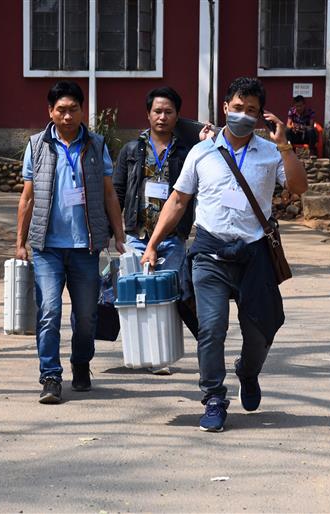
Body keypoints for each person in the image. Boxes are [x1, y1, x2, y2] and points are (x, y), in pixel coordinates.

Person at [140, 77, 308, 432]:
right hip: (210, 252)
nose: (243, 115)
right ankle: (214, 397)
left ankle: (248, 372)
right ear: (224, 108)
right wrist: (153, 243)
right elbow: (178, 200)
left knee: (262, 330)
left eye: (251, 110)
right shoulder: (201, 153)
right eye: (237, 108)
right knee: (211, 329)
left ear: (261, 115)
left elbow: (297, 187)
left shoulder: (268, 152)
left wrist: (285, 147)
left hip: (255, 254)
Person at [15, 81, 126, 405]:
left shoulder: (96, 145)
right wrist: (20, 242)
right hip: (47, 247)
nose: (67, 115)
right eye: (60, 109)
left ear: (82, 111)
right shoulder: (36, 145)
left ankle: (81, 363)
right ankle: (50, 376)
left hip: (85, 247)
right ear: (50, 111)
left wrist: (119, 235)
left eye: (73, 109)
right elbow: (27, 197)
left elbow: (108, 193)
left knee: (87, 314)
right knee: (49, 310)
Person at [112, 87, 196, 375]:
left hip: (172, 237)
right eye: (157, 111)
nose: (162, 117)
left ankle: (161, 356)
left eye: (168, 112)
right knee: (136, 297)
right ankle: (138, 350)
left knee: (167, 296)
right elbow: (118, 191)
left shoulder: (187, 153)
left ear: (177, 116)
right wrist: (116, 232)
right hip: (137, 235)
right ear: (148, 114)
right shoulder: (131, 150)